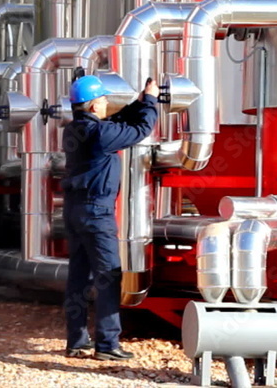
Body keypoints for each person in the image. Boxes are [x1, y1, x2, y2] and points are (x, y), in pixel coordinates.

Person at [61, 74, 159, 360]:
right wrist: (151, 102)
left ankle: (76, 341)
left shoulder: (74, 130)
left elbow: (117, 122)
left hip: (74, 210)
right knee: (108, 276)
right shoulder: (100, 135)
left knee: (78, 278)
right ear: (93, 107)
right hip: (96, 213)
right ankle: (107, 344)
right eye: (103, 101)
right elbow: (140, 129)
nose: (106, 104)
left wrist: (138, 102)